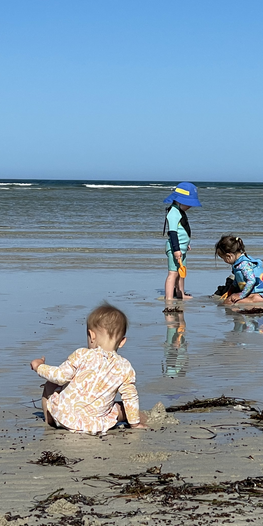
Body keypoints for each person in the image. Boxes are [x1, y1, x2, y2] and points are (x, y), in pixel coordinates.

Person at [29, 303, 144, 435]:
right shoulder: (125, 367)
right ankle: (133, 420)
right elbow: (130, 397)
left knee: (50, 384)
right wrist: (135, 423)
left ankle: (49, 420)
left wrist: (39, 367)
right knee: (122, 407)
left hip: (65, 417)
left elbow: (60, 376)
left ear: (91, 335)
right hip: (95, 424)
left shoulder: (82, 354)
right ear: (122, 341)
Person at [163, 182, 200, 301]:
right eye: (188, 203)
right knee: (173, 273)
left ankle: (181, 294)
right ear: (179, 201)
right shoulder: (173, 213)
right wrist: (176, 249)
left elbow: (182, 231)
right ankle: (169, 297)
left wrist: (186, 244)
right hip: (174, 249)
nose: (190, 206)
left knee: (181, 273)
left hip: (181, 248)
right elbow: (173, 233)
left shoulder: (180, 212)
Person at [214, 235, 263, 304]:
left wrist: (241, 296)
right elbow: (237, 279)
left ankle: (255, 299)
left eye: (223, 258)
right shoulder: (240, 262)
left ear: (229, 256)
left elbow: (251, 281)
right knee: (231, 297)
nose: (224, 260)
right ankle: (254, 298)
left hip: (258, 292)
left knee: (229, 301)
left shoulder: (244, 264)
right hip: (256, 291)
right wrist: (231, 289)